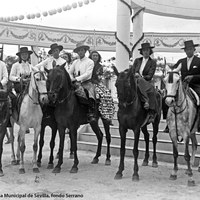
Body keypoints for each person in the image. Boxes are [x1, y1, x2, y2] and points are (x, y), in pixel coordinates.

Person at [131, 42, 157, 123]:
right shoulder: (137, 60)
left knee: (152, 90)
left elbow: (150, 75)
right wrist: (134, 75)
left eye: (147, 50)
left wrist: (141, 77)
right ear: (142, 52)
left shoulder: (152, 62)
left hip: (146, 81)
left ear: (150, 51)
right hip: (135, 81)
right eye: (144, 50)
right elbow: (132, 71)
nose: (146, 52)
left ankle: (151, 111)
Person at [68, 42, 96, 122]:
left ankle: (90, 112)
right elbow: (70, 72)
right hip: (75, 82)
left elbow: (88, 74)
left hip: (86, 82)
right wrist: (72, 78)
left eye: (82, 50)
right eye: (78, 51)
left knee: (90, 93)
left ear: (85, 51)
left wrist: (77, 79)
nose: (80, 52)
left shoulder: (90, 62)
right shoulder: (75, 62)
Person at [89, 51, 115, 123]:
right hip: (88, 82)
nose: (95, 57)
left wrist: (98, 81)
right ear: (90, 56)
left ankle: (108, 116)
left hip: (97, 83)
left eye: (96, 56)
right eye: (93, 55)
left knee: (106, 94)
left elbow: (100, 76)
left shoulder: (100, 66)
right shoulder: (88, 64)